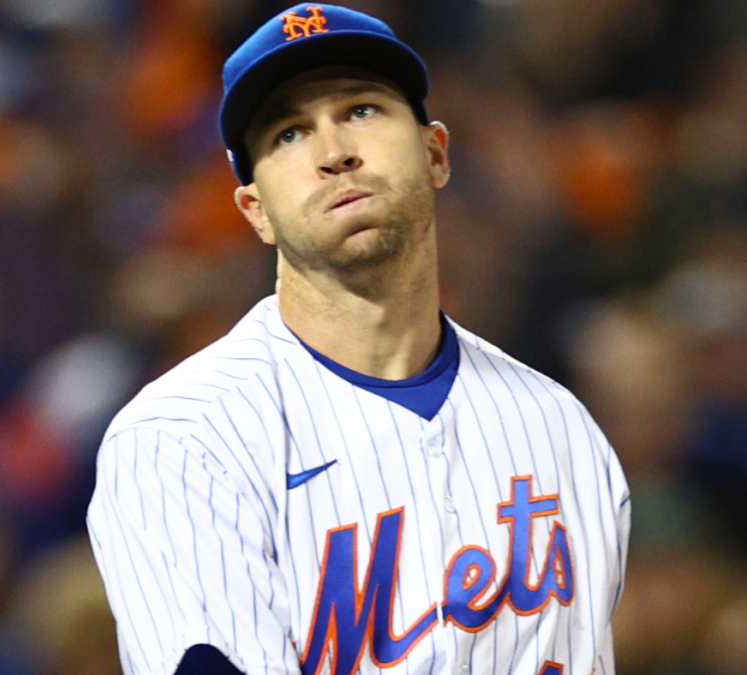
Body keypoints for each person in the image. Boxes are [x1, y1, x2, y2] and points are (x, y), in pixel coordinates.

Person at [86, 5, 630, 675]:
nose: (334, 150)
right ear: (254, 211)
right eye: (289, 133)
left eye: (363, 110)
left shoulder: (559, 427)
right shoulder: (186, 437)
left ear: (435, 153)